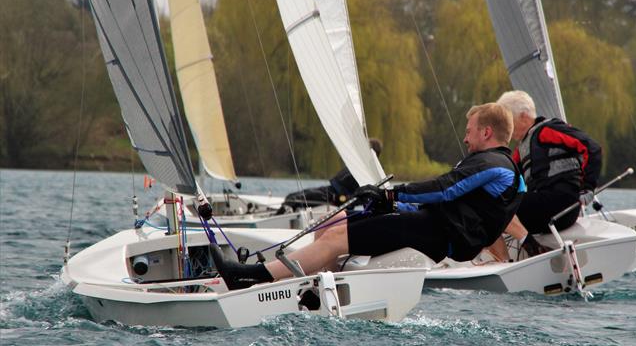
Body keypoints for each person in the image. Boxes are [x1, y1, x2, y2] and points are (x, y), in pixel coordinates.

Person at [213, 103, 526, 289]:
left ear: (486, 132)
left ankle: (252, 278)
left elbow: (445, 188)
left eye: (470, 130)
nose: (465, 137)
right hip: (432, 225)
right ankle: (302, 282)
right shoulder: (492, 165)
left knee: (337, 238)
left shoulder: (496, 167)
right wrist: (389, 200)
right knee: (335, 220)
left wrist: (390, 196)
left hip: (436, 235)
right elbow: (444, 198)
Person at [493, 90, 602, 258]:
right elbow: (504, 175)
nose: (506, 128)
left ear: (523, 116)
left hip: (561, 204)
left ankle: (531, 247)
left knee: (495, 207)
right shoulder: (521, 148)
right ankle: (502, 261)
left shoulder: (548, 130)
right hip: (542, 207)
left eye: (508, 121)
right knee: (489, 206)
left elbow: (591, 148)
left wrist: (587, 188)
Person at [280, 138, 383, 211]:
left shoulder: (367, 173)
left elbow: (364, 197)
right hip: (329, 190)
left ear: (370, 152)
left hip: (333, 198)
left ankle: (280, 215)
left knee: (293, 199)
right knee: (291, 197)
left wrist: (344, 199)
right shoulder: (359, 165)